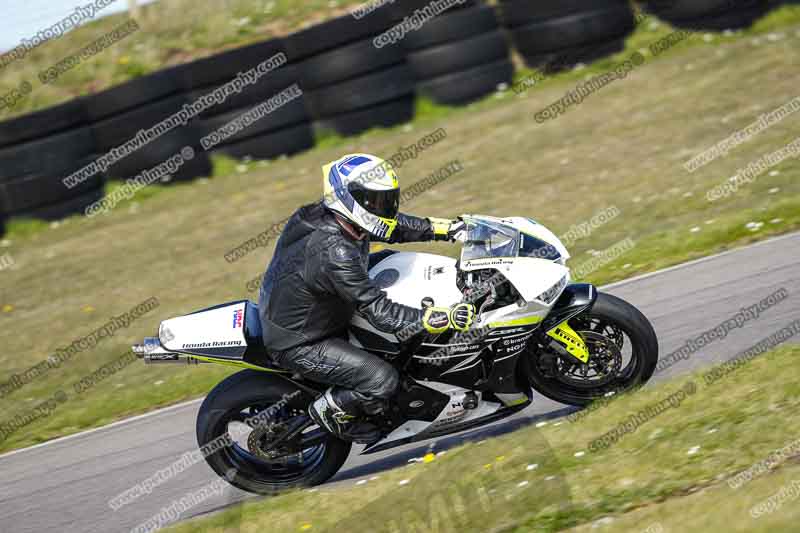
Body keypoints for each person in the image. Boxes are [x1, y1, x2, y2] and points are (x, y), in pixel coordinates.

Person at [258, 153, 474, 443]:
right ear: (348, 199)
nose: (383, 208)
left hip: (313, 306)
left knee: (393, 262)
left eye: (386, 200)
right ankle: (332, 413)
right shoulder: (335, 251)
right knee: (382, 379)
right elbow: (380, 312)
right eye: (374, 201)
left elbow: (392, 226)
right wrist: (438, 317)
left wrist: (444, 229)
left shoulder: (331, 215)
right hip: (303, 341)